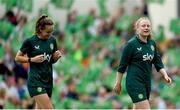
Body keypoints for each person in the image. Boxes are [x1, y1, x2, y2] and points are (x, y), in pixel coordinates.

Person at [113, 17, 172, 109]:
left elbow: (158, 62)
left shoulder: (152, 44)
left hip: (146, 83)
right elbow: (122, 66)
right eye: (143, 26)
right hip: (134, 83)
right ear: (137, 28)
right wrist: (118, 83)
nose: (146, 28)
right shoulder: (131, 44)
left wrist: (165, 75)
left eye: (148, 26)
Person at [15, 15, 62, 109]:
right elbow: (17, 58)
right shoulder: (30, 41)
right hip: (35, 81)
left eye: (52, 31)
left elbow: (50, 61)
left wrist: (56, 58)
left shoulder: (52, 41)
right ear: (40, 29)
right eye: (48, 32)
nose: (50, 34)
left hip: (48, 80)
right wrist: (31, 60)